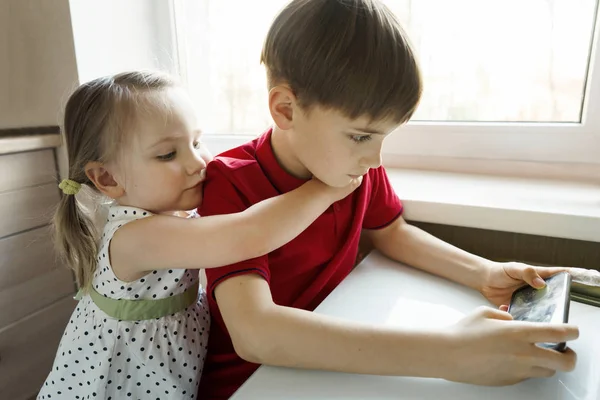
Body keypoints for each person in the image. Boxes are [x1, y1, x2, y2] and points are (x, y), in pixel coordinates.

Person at [197, 0, 579, 398]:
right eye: (361, 136)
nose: (376, 159)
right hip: (252, 384)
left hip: (337, 364)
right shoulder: (229, 184)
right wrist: (449, 353)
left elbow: (392, 232)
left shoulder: (352, 165)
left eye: (384, 137)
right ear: (285, 109)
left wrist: (484, 273)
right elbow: (255, 334)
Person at [37, 71, 361, 400]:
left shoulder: (174, 212)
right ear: (106, 177)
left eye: (195, 142)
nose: (197, 162)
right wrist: (323, 191)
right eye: (167, 154)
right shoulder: (135, 237)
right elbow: (247, 233)